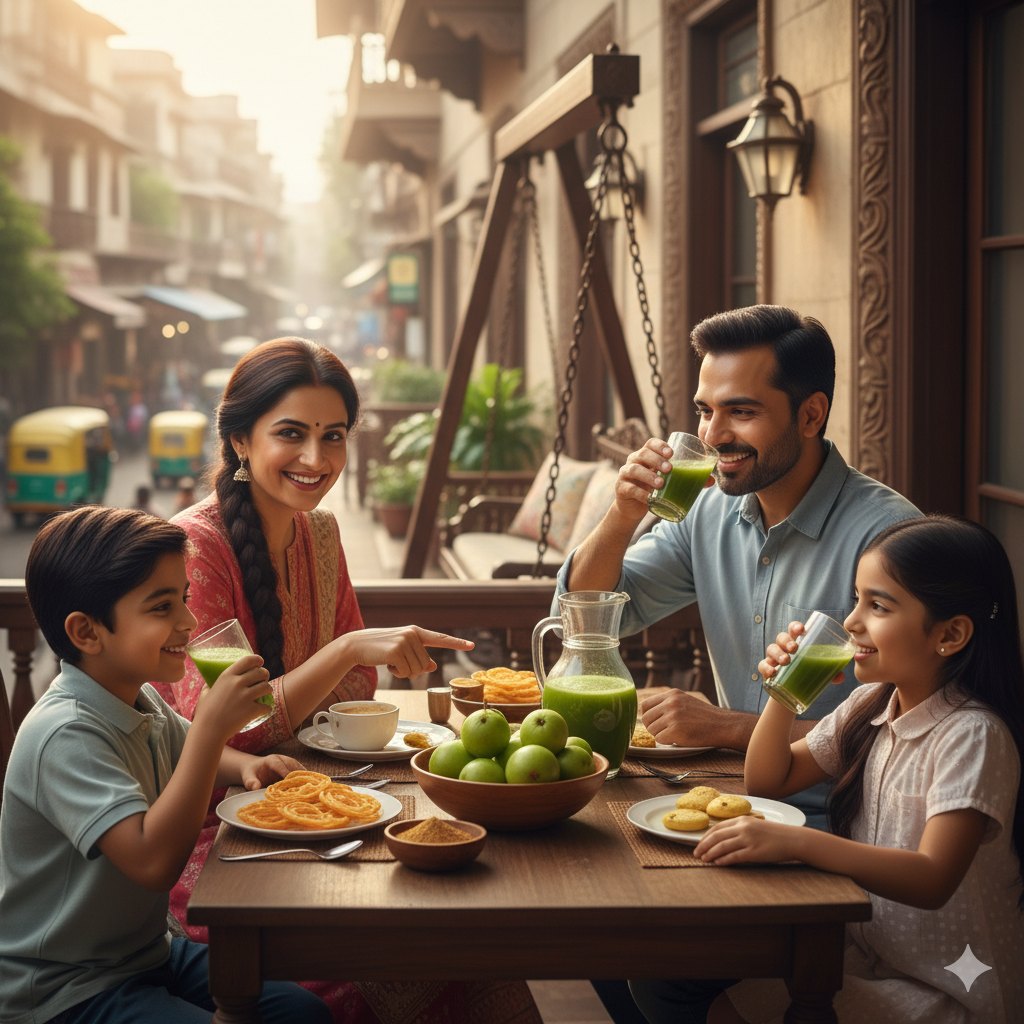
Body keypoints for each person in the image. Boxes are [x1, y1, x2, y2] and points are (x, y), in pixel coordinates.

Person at [159, 337, 541, 1024]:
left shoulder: (322, 533)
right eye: (291, 435)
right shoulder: (195, 549)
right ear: (240, 439)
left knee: (479, 952)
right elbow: (227, 729)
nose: (316, 459)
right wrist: (338, 654)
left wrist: (338, 667)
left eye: (332, 436)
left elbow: (357, 691)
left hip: (331, 813)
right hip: (223, 846)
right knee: (389, 976)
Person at [558, 306, 920, 829]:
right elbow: (586, 617)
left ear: (811, 415)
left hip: (842, 825)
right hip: (727, 801)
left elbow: (902, 733)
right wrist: (621, 516)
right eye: (705, 411)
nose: (714, 434)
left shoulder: (887, 537)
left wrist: (726, 726)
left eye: (741, 413)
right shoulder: (707, 507)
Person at [657, 515, 1024, 1024]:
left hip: (948, 989)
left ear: (950, 634)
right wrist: (784, 694)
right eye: (856, 599)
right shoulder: (873, 703)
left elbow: (933, 877)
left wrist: (799, 842)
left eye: (877, 606)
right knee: (715, 1001)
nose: (851, 621)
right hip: (871, 958)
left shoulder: (972, 734)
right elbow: (769, 781)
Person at [0, 505, 329, 1024]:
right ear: (87, 632)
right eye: (161, 607)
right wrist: (211, 727)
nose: (189, 622)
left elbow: (192, 750)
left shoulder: (138, 698)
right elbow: (153, 864)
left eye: (185, 598)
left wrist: (247, 767)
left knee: (302, 1013)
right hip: (66, 984)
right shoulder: (65, 733)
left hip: (146, 954)